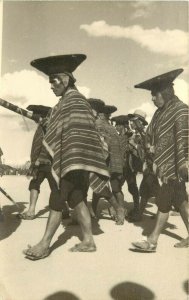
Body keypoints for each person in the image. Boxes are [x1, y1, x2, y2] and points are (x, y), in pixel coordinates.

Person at [23, 54, 121, 259]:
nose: (51, 86)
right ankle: (88, 240)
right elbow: (61, 129)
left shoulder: (73, 102)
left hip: (71, 160)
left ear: (65, 80)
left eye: (54, 81)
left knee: (57, 199)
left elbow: (74, 132)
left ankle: (44, 244)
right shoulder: (71, 101)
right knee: (77, 198)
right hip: (76, 160)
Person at [132, 68, 189, 251]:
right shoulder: (158, 114)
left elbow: (182, 139)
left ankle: (152, 241)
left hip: (175, 167)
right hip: (164, 166)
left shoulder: (181, 111)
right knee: (181, 202)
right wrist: (150, 146)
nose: (153, 98)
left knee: (163, 202)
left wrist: (182, 164)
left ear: (164, 93)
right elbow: (150, 135)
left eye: (154, 95)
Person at [18, 105, 70, 220]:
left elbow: (42, 146)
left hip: (44, 163)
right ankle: (65, 210)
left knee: (36, 185)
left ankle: (31, 211)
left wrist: (35, 160)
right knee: (55, 187)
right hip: (49, 163)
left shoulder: (47, 126)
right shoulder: (48, 126)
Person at [91, 104, 126, 224]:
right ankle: (95, 212)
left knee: (98, 187)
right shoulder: (111, 128)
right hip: (116, 163)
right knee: (114, 188)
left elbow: (103, 146)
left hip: (106, 162)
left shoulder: (99, 125)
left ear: (101, 114)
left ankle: (119, 211)